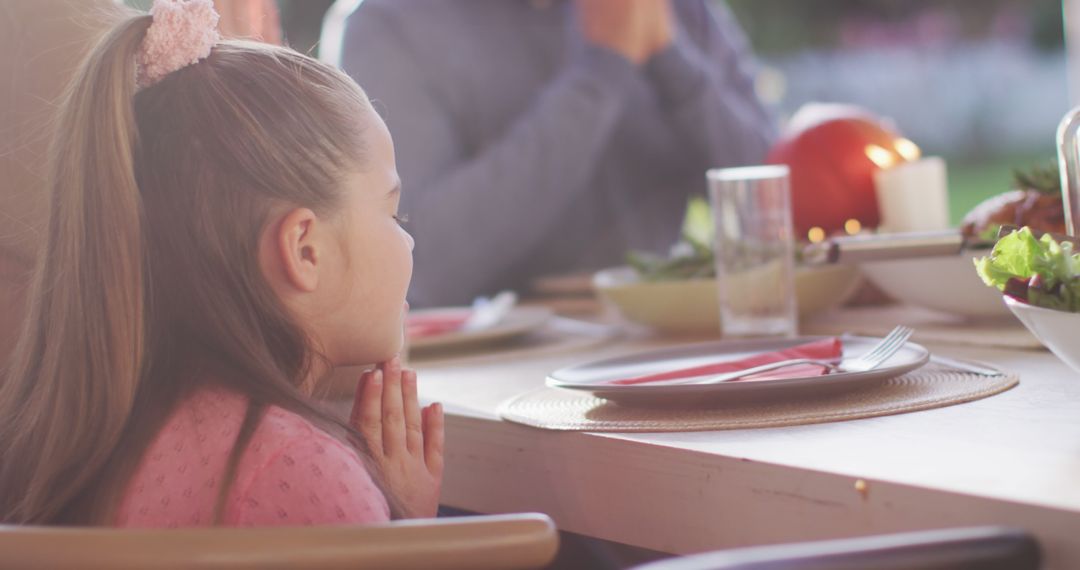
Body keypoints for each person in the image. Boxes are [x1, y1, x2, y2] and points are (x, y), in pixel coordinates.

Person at [0, 0, 443, 527]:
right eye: (393, 213)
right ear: (304, 249)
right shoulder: (303, 476)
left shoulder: (94, 441)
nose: (408, 242)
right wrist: (410, 532)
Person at [338, 0, 777, 307]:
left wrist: (670, 57)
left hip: (679, 336)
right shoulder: (390, 24)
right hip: (488, 377)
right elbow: (421, 265)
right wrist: (603, 68)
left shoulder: (680, 9)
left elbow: (774, 198)